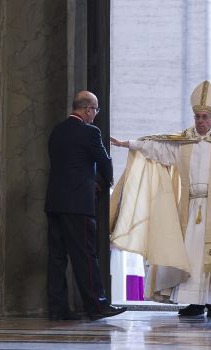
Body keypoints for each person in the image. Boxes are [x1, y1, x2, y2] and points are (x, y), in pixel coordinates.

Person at [110, 81, 211, 318]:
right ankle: (194, 302)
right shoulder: (183, 142)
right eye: (197, 116)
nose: (199, 121)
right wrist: (129, 144)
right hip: (190, 207)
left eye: (204, 117)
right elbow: (157, 149)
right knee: (189, 256)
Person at [44, 91, 126, 321]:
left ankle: (57, 308)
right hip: (78, 203)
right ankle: (97, 306)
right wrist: (104, 182)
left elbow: (65, 164)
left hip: (55, 202)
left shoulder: (57, 130)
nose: (95, 115)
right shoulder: (90, 131)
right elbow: (104, 161)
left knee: (57, 257)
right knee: (86, 256)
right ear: (88, 109)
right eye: (96, 110)